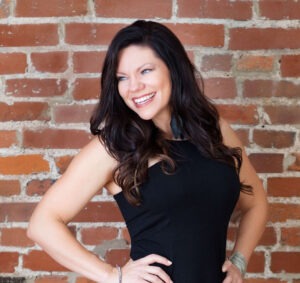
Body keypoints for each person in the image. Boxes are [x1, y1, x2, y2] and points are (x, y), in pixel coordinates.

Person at [28, 20, 268, 283]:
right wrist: (112, 275)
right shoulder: (114, 147)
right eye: (122, 78)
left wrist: (239, 262)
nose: (133, 87)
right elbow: (42, 224)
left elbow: (255, 202)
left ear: (173, 69)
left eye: (145, 71)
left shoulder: (214, 130)